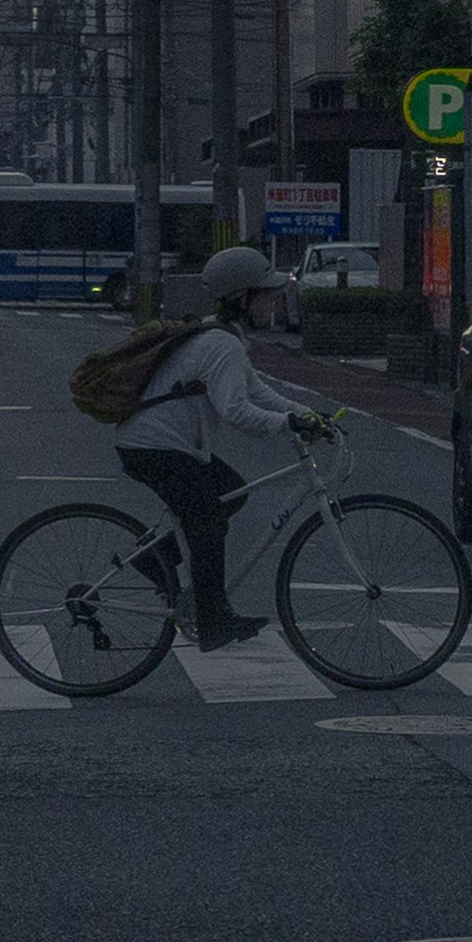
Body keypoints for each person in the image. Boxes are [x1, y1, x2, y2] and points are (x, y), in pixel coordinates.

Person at [111, 244, 335, 651]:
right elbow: (235, 410)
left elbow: (258, 391)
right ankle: (213, 619)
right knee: (206, 521)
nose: (272, 301)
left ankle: (156, 556)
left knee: (230, 490)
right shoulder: (222, 344)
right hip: (154, 446)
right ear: (242, 297)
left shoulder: (224, 337)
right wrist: (288, 424)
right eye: (265, 293)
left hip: (164, 445)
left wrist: (309, 414)